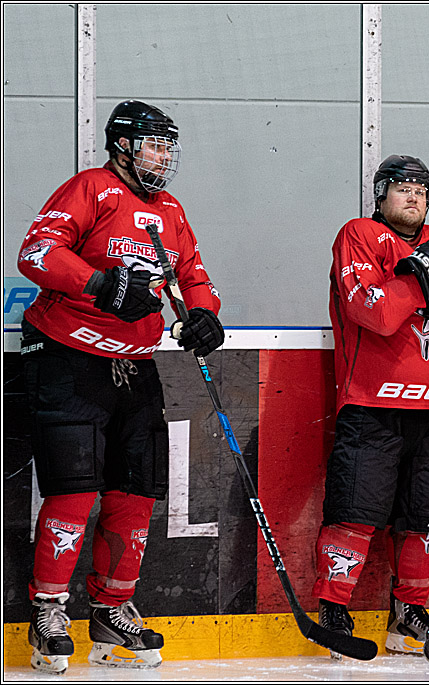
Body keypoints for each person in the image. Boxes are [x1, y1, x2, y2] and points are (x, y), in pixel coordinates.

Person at [16, 100, 224, 674]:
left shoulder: (172, 209)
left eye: (168, 146)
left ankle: (113, 607)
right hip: (69, 359)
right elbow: (36, 253)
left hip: (135, 369)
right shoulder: (91, 188)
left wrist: (204, 312)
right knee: (73, 491)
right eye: (154, 144)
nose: (164, 156)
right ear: (123, 146)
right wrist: (101, 285)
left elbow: (192, 275)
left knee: (135, 492)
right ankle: (50, 611)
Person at [314, 154, 429, 658]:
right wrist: (420, 283)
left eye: (420, 189)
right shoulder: (359, 235)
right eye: (401, 188)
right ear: (381, 195)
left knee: (428, 518)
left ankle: (408, 612)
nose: (411, 197)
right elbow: (376, 314)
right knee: (354, 512)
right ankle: (334, 607)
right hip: (370, 405)